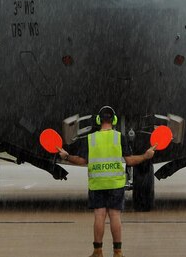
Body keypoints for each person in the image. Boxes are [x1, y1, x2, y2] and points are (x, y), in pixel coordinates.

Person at [58, 105, 156, 257]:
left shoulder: (90, 139)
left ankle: (98, 251)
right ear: (114, 120)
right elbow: (129, 161)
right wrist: (145, 156)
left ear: (98, 120)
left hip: (97, 184)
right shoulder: (119, 138)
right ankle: (118, 251)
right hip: (115, 183)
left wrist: (66, 156)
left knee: (99, 216)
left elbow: (81, 161)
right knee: (115, 216)